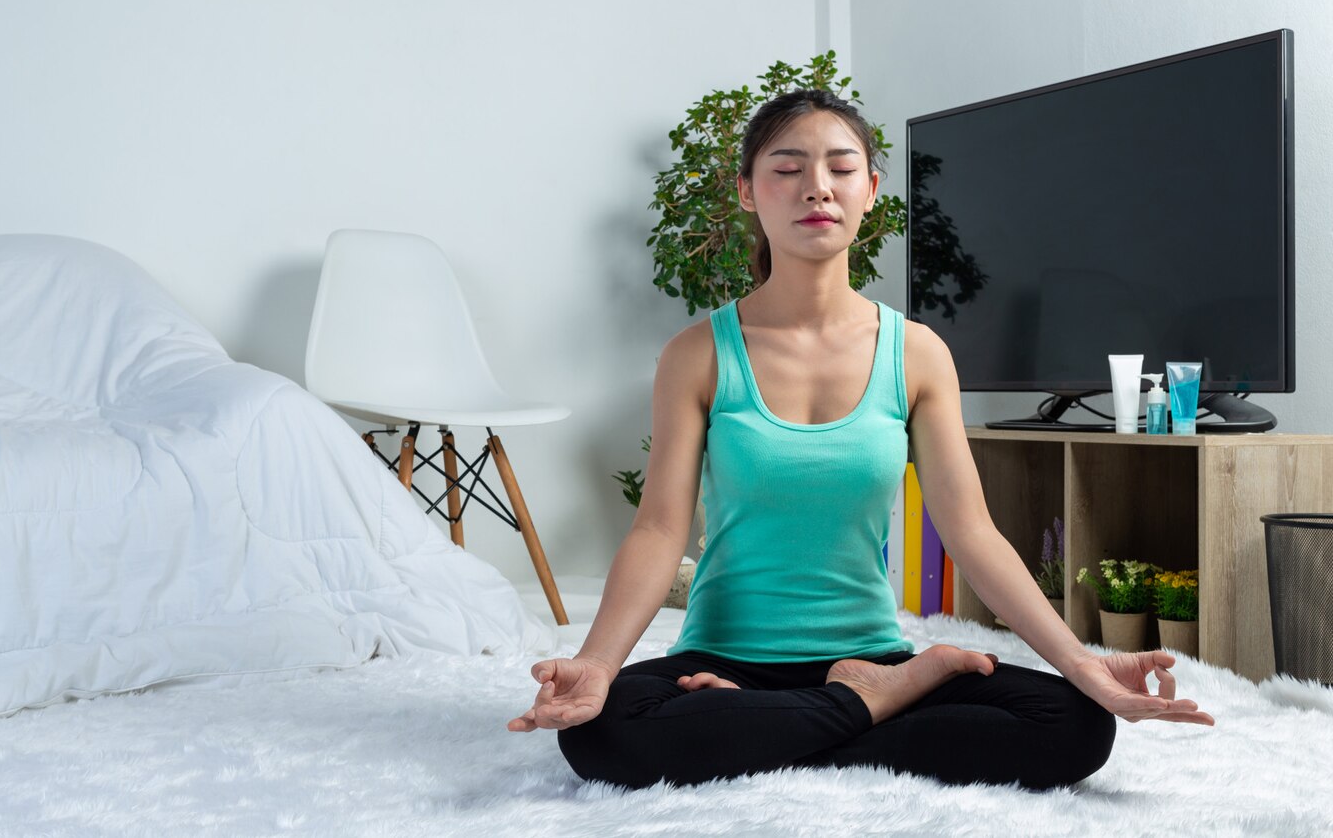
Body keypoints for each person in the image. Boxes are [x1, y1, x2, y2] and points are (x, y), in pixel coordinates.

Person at [506, 88, 1215, 791]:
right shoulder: (698, 354)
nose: (817, 186)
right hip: (725, 656)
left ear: (871, 189)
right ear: (748, 191)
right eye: (787, 168)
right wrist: (596, 667)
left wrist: (1081, 663)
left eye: (841, 167)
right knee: (601, 730)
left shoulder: (918, 353)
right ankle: (871, 703)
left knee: (1075, 723)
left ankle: (788, 718)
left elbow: (970, 530)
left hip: (874, 651)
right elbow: (660, 530)